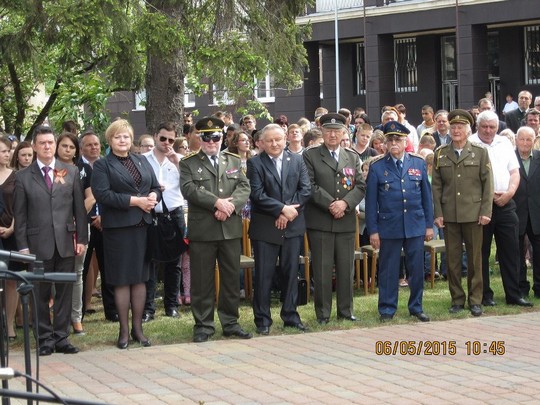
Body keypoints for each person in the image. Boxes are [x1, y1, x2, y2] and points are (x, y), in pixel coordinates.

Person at [14, 125, 88, 356]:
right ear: (35, 147)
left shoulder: (70, 171)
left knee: (65, 292)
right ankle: (44, 339)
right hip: (37, 245)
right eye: (43, 143)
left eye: (50, 142)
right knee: (40, 293)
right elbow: (20, 215)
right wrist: (23, 247)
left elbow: (79, 209)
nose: (47, 146)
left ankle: (62, 337)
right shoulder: (23, 177)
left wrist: (82, 239)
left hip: (66, 241)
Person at [180, 116, 252, 343]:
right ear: (200, 139)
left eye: (216, 137)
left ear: (223, 137)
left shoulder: (233, 160)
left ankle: (230, 323)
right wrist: (217, 203)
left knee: (231, 278)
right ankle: (203, 325)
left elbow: (244, 186)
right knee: (202, 280)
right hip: (204, 230)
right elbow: (189, 189)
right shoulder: (188, 163)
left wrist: (230, 206)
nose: (212, 142)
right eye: (207, 138)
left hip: (229, 228)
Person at [91, 119, 161, 349]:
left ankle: (138, 329)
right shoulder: (103, 165)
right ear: (110, 140)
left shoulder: (141, 160)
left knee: (140, 278)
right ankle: (123, 331)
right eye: (118, 137)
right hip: (119, 230)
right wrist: (136, 201)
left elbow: (154, 186)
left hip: (143, 227)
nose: (123, 140)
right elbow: (103, 195)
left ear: (132, 140)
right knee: (122, 280)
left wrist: (152, 198)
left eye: (127, 137)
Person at [365, 121, 433, 322]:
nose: (394, 143)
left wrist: (429, 225)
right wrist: (373, 230)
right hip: (389, 225)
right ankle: (387, 308)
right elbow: (370, 203)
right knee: (388, 269)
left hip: (415, 224)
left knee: (416, 269)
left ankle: (416, 307)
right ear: (385, 143)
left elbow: (426, 198)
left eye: (398, 139)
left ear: (406, 142)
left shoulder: (418, 163)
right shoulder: (377, 167)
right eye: (390, 139)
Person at [247, 124, 311, 335]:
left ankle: (291, 316)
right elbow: (257, 194)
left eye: (278, 139)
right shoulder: (255, 163)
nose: (274, 144)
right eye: (269, 141)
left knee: (291, 272)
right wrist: (281, 210)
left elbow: (305, 189)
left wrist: (288, 212)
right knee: (264, 275)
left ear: (285, 139)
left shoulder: (298, 160)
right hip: (266, 226)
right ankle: (263, 320)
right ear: (262, 143)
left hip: (292, 225)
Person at [303, 113, 365, 325]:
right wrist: (332, 204)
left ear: (344, 133)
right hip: (321, 220)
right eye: (328, 130)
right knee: (322, 269)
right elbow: (309, 186)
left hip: (345, 221)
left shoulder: (352, 156)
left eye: (337, 131)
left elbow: (360, 185)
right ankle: (323, 314)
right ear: (322, 132)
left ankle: (346, 311)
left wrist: (345, 204)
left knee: (346, 269)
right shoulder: (310, 155)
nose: (332, 134)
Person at [432, 110, 494, 317]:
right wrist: (438, 213)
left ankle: (475, 300)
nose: (456, 130)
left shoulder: (480, 152)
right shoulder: (441, 153)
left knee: (475, 260)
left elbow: (488, 184)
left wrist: (486, 211)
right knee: (453, 260)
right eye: (453, 127)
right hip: (450, 214)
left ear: (468, 130)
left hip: (474, 214)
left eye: (461, 127)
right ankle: (457, 299)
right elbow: (437, 187)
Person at [469, 110, 533, 308]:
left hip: (506, 203)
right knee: (482, 252)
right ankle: (485, 295)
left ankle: (513, 295)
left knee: (511, 251)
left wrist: (510, 192)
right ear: (477, 126)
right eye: (484, 126)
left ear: (498, 127)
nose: (488, 131)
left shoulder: (505, 143)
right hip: (481, 206)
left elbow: (515, 172)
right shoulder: (470, 143)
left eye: (492, 127)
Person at [143, 122, 187, 321]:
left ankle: (171, 305)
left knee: (174, 262)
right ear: (155, 136)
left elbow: (189, 187)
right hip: (151, 214)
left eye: (171, 140)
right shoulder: (143, 160)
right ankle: (148, 308)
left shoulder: (180, 161)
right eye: (163, 138)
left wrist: (176, 161)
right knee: (150, 261)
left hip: (175, 213)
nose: (167, 143)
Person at [55, 132, 95, 334]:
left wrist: (77, 215)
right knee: (57, 272)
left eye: (71, 147)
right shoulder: (50, 169)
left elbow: (92, 195)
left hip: (79, 225)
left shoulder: (84, 169)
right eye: (64, 146)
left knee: (78, 272)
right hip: (56, 228)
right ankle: (56, 315)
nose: (68, 150)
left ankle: (76, 317)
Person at [79, 131, 117, 323]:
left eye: (96, 144)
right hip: (85, 223)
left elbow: (114, 192)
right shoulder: (77, 167)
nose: (94, 147)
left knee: (108, 267)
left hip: (106, 222)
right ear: (82, 148)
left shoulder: (107, 165)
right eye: (89, 145)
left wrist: (104, 215)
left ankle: (112, 311)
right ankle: (79, 313)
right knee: (83, 269)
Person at [513, 126, 540, 298]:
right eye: (521, 139)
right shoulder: (510, 158)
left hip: (537, 213)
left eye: (528, 139)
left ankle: (539, 288)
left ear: (534, 140)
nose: (525, 143)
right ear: (516, 140)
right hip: (516, 213)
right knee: (517, 254)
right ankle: (520, 288)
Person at [0, 136, 19, 340]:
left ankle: (10, 325)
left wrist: (12, 227)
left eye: (7, 150)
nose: (6, 154)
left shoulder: (17, 177)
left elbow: (20, 207)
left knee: (11, 280)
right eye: (3, 150)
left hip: (11, 233)